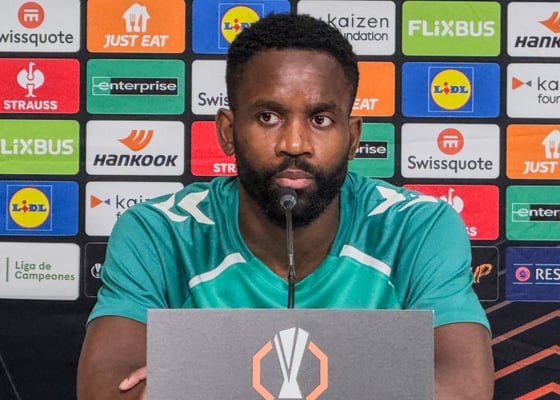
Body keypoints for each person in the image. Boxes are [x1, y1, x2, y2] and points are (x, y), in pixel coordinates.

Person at [77, 13, 494, 400]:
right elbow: (107, 388)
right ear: (227, 131)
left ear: (352, 138)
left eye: (320, 120)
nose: (294, 144)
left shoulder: (418, 226)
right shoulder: (158, 230)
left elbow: (464, 389)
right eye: (268, 117)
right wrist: (382, 380)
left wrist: (197, 380)